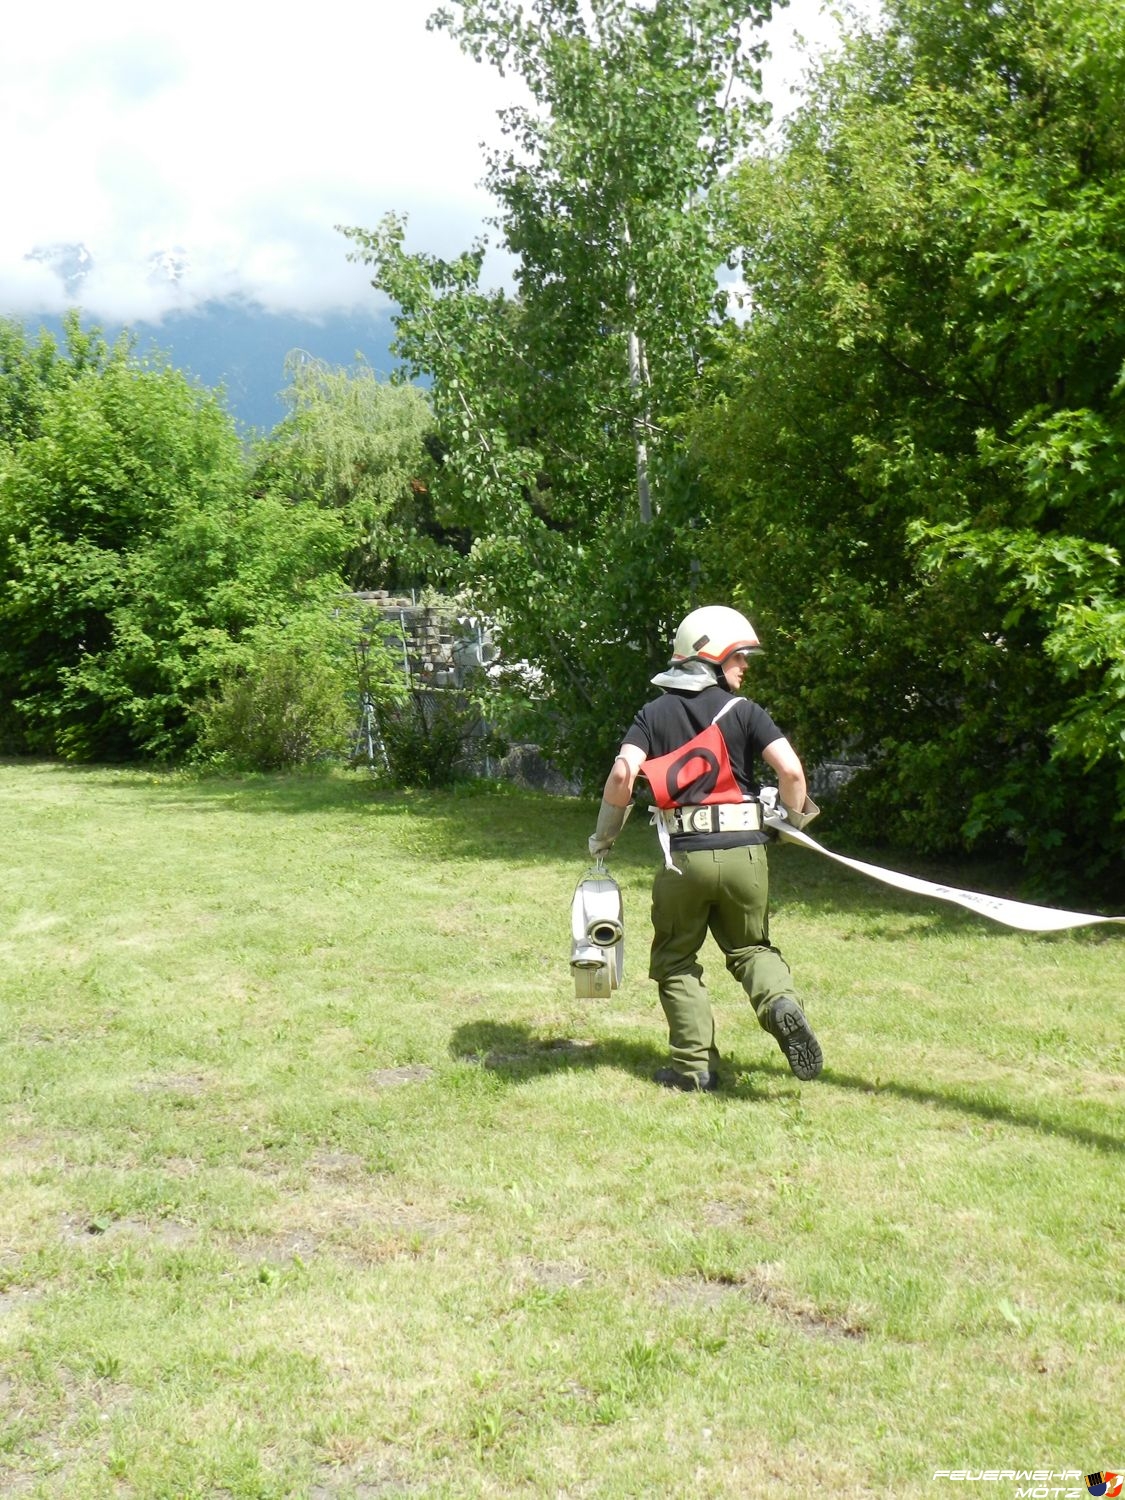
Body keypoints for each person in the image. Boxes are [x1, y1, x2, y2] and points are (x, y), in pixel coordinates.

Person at [588, 605, 823, 1092]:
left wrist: (604, 837)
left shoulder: (652, 714)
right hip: (746, 856)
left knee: (675, 960)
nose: (746, 666)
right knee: (751, 948)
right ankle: (780, 1004)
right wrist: (789, 824)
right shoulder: (745, 711)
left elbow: (622, 774)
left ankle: (694, 1069)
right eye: (739, 656)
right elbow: (791, 772)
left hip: (685, 860)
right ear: (709, 656)